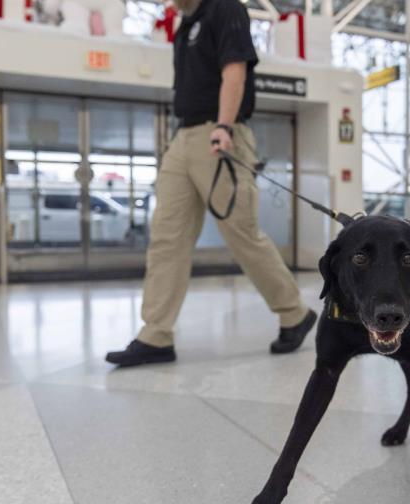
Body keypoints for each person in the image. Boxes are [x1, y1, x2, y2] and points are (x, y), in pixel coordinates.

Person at [105, 0, 316, 367]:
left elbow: (234, 71)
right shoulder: (185, 24)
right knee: (166, 237)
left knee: (241, 234)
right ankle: (155, 334)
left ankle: (294, 313)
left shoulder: (225, 8)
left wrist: (224, 126)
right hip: (183, 137)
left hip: (218, 133)